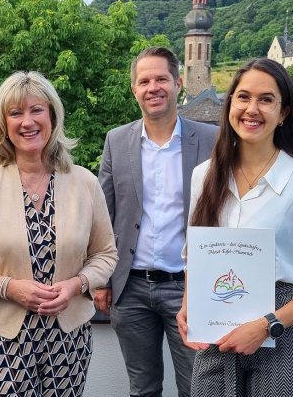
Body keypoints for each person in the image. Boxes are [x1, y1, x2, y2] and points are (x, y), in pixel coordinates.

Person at [176, 58, 293, 397]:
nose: (252, 109)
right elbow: (194, 256)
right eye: (243, 97)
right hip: (218, 321)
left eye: (266, 99)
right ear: (230, 105)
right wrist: (188, 303)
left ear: (283, 113)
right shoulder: (205, 177)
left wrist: (266, 325)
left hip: (285, 326)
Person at [0, 71, 118, 396]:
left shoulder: (84, 183)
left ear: (52, 116)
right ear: (4, 123)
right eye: (16, 113)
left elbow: (105, 255)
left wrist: (76, 285)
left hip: (68, 338)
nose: (28, 121)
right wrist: (9, 287)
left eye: (36, 110)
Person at [96, 46, 218, 397]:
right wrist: (102, 281)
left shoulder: (211, 140)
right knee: (143, 388)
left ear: (178, 83)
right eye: (144, 80)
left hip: (189, 288)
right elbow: (105, 216)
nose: (153, 87)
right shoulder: (117, 141)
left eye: (161, 78)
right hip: (130, 289)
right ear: (134, 89)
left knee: (197, 387)